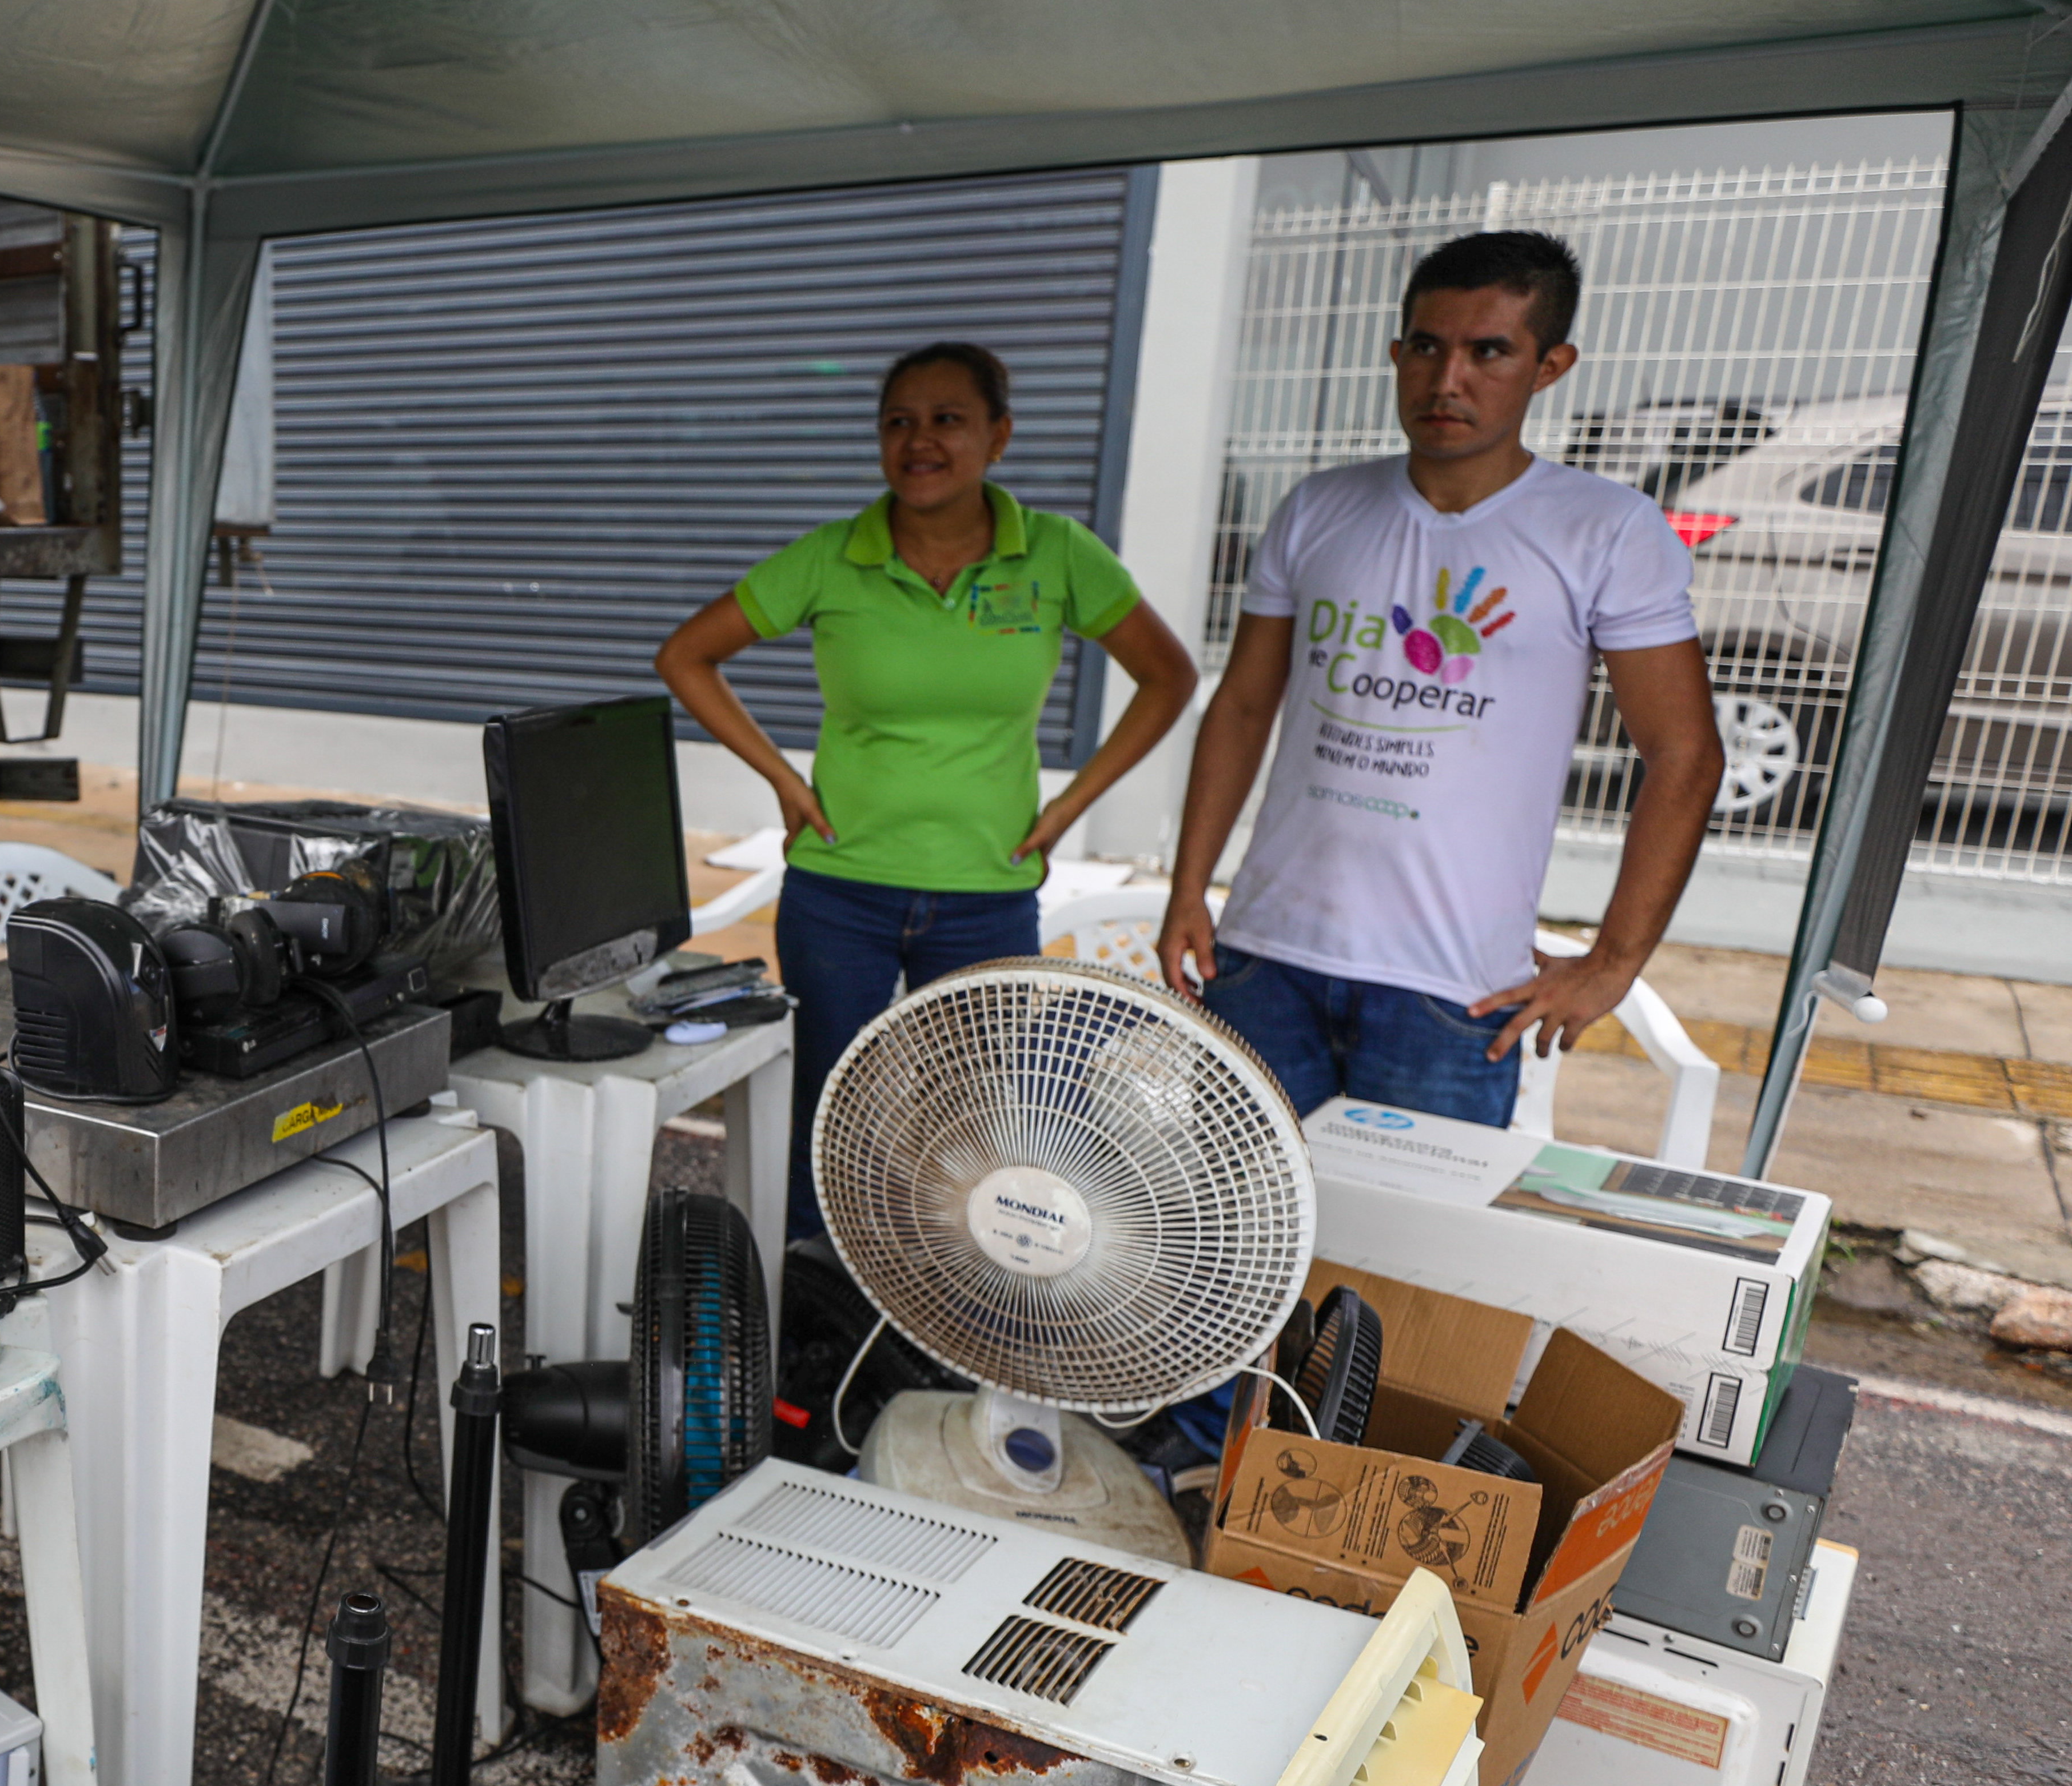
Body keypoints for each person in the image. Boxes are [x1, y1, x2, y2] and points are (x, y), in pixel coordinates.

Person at [1157, 230, 1723, 1121]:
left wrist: (1614, 961)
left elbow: (1684, 753)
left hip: (1453, 992)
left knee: (1411, 1220)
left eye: (1488, 351)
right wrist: (1189, 886)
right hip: (1265, 961)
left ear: (1550, 366)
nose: (1446, 380)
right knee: (1240, 1211)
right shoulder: (1318, 508)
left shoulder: (1605, 530)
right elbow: (1243, 705)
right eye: (1426, 346)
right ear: (1397, 354)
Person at [659, 340, 1198, 1242]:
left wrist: (1069, 807)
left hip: (987, 899)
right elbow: (685, 656)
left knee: (980, 1138)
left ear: (999, 436)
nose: (920, 441)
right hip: (840, 894)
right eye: (898, 422)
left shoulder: (1057, 553)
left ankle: (945, 1306)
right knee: (831, 1119)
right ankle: (814, 1305)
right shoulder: (833, 557)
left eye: (948, 419)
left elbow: (1170, 676)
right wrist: (783, 779)